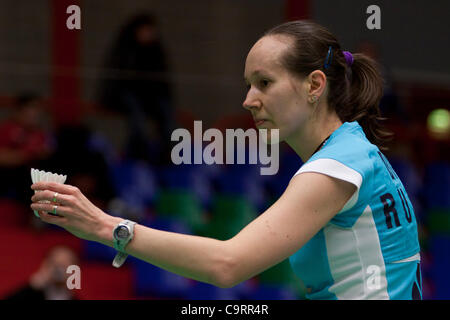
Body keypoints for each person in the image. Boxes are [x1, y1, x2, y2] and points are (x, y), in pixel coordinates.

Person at [30, 20, 422, 300]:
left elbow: (227, 264)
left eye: (264, 83)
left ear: (315, 85)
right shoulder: (356, 152)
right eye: (248, 85)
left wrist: (105, 225)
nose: (248, 100)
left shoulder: (336, 166)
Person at [98, 13, 174, 165]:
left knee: (167, 113)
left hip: (151, 97)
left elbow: (162, 82)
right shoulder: (124, 49)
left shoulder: (156, 51)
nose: (149, 34)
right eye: (145, 30)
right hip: (126, 95)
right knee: (137, 118)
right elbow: (117, 81)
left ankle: (167, 153)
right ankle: (139, 154)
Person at [5, 246, 79, 300]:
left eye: (64, 265)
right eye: (55, 264)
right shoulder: (28, 293)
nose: (59, 270)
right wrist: (31, 287)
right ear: (44, 265)